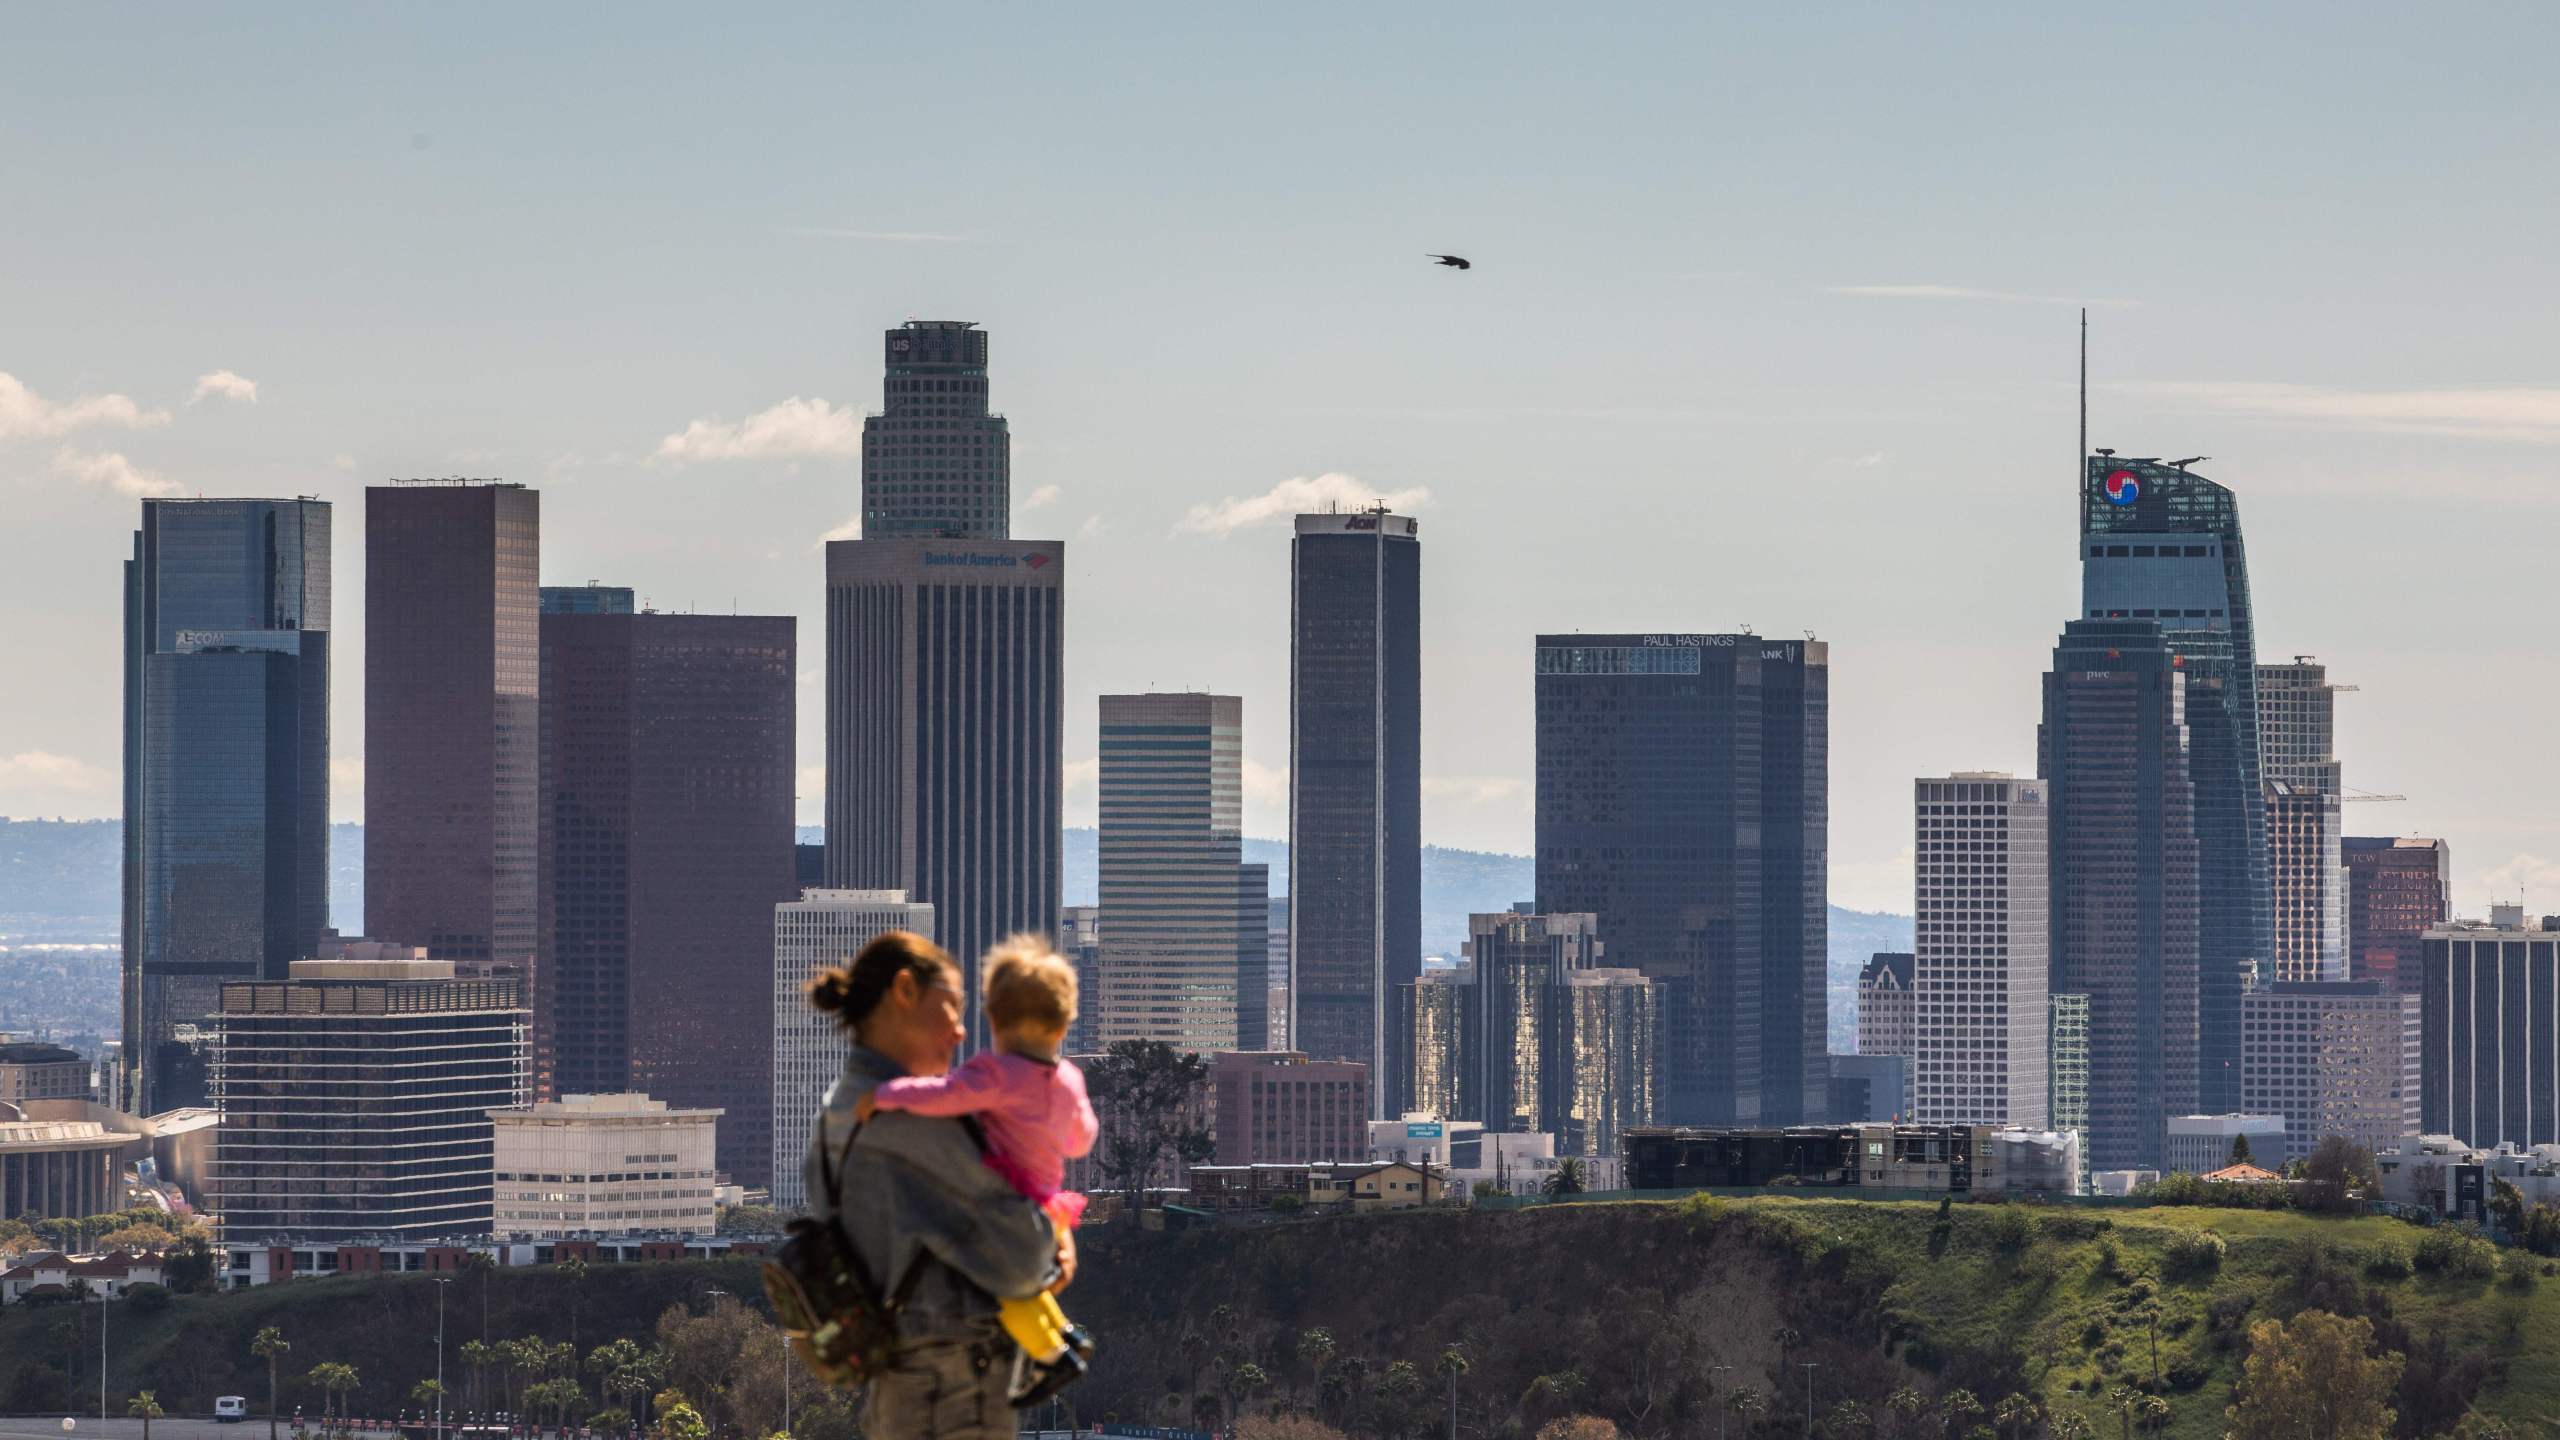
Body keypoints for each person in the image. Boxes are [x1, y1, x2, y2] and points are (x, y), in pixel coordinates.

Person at [805, 930, 1073, 1440]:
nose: (960, 1032)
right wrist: (1051, 1242)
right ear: (904, 991)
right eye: (950, 1009)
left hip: (896, 1388)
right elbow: (1023, 1264)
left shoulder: (836, 1111)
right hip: (954, 1395)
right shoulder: (915, 1123)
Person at [859, 936, 1100, 1400]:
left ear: (995, 1019)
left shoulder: (997, 1072)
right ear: (1065, 1021)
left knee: (996, 1288)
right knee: (1023, 1287)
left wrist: (885, 1095)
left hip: (1003, 1206)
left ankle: (1051, 1356)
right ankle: (1067, 1336)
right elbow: (1081, 1138)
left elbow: (943, 1094)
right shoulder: (1069, 1079)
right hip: (1048, 1208)